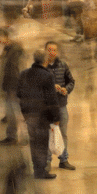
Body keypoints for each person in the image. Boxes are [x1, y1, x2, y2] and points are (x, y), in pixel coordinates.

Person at [16, 47, 61, 180]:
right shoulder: (47, 75)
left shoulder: (24, 73)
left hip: (28, 114)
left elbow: (18, 93)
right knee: (42, 143)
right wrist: (56, 117)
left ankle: (37, 168)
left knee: (34, 142)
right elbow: (51, 98)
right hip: (42, 116)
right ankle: (40, 171)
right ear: (45, 60)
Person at [42, 41, 77, 170]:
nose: (52, 52)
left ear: (57, 52)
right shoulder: (41, 67)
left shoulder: (63, 65)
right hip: (46, 107)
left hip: (61, 105)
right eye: (49, 49)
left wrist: (66, 89)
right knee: (47, 134)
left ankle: (64, 159)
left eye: (54, 50)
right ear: (45, 51)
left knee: (63, 133)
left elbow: (71, 81)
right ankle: (46, 161)